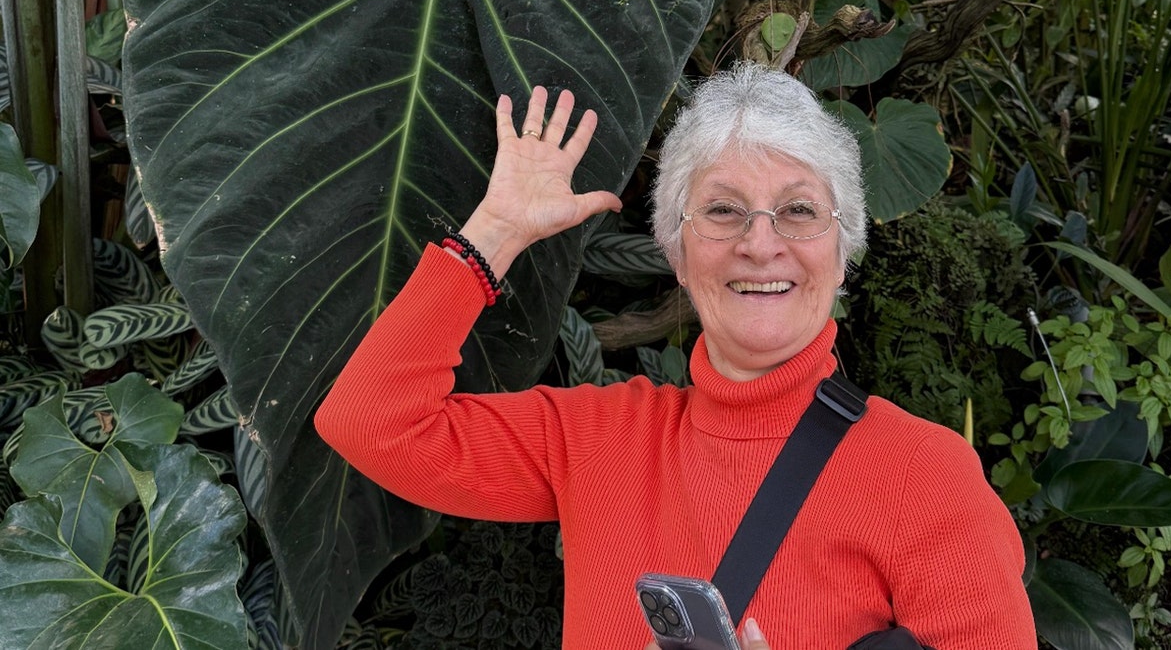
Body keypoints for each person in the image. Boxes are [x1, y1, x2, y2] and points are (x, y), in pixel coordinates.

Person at [315, 63, 1037, 648]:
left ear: (841, 254)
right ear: (679, 255)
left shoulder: (925, 476)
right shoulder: (597, 439)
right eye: (722, 210)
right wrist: (496, 232)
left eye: (799, 210)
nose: (761, 242)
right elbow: (371, 421)